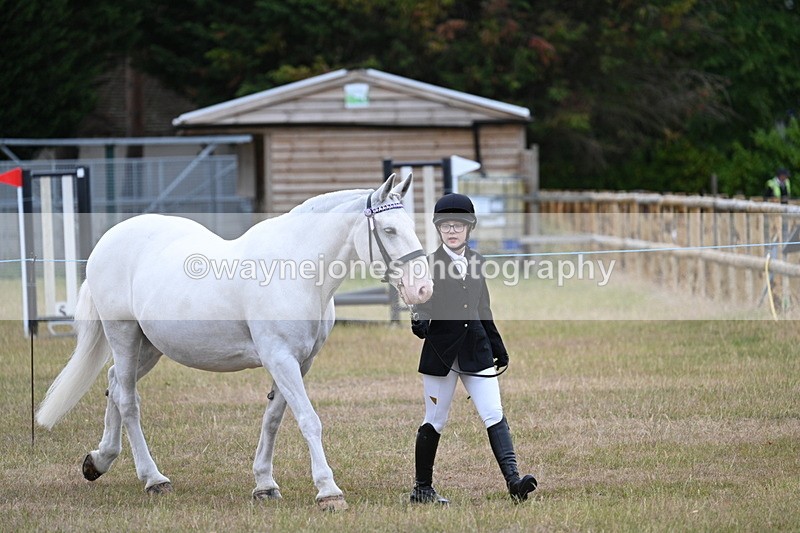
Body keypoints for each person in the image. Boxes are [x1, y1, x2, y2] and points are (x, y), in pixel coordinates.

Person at [407, 192, 537, 505]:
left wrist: (497, 344)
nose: (452, 231)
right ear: (439, 229)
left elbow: (483, 307)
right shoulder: (429, 263)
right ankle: (422, 488)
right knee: (435, 420)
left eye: (458, 225)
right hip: (442, 354)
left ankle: (514, 482)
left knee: (494, 413)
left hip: (476, 350)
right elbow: (420, 302)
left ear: (469, 228)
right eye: (446, 226)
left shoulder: (478, 261)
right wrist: (420, 321)